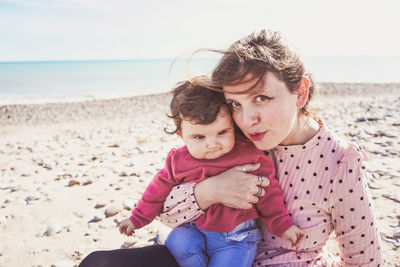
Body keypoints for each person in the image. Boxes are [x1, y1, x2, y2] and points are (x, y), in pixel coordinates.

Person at [78, 29, 382, 267]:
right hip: (203, 255)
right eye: (235, 104)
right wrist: (209, 192)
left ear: (300, 92)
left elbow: (365, 260)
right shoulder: (227, 139)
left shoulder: (339, 163)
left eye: (261, 98)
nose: (248, 120)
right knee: (98, 263)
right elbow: (167, 215)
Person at [118, 80, 304, 267]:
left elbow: (269, 193)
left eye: (222, 132)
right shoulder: (178, 159)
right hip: (195, 229)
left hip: (235, 239)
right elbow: (156, 191)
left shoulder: (249, 155)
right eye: (199, 137)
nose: (213, 143)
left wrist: (283, 226)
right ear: (181, 136)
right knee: (178, 241)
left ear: (233, 125)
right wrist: (137, 218)